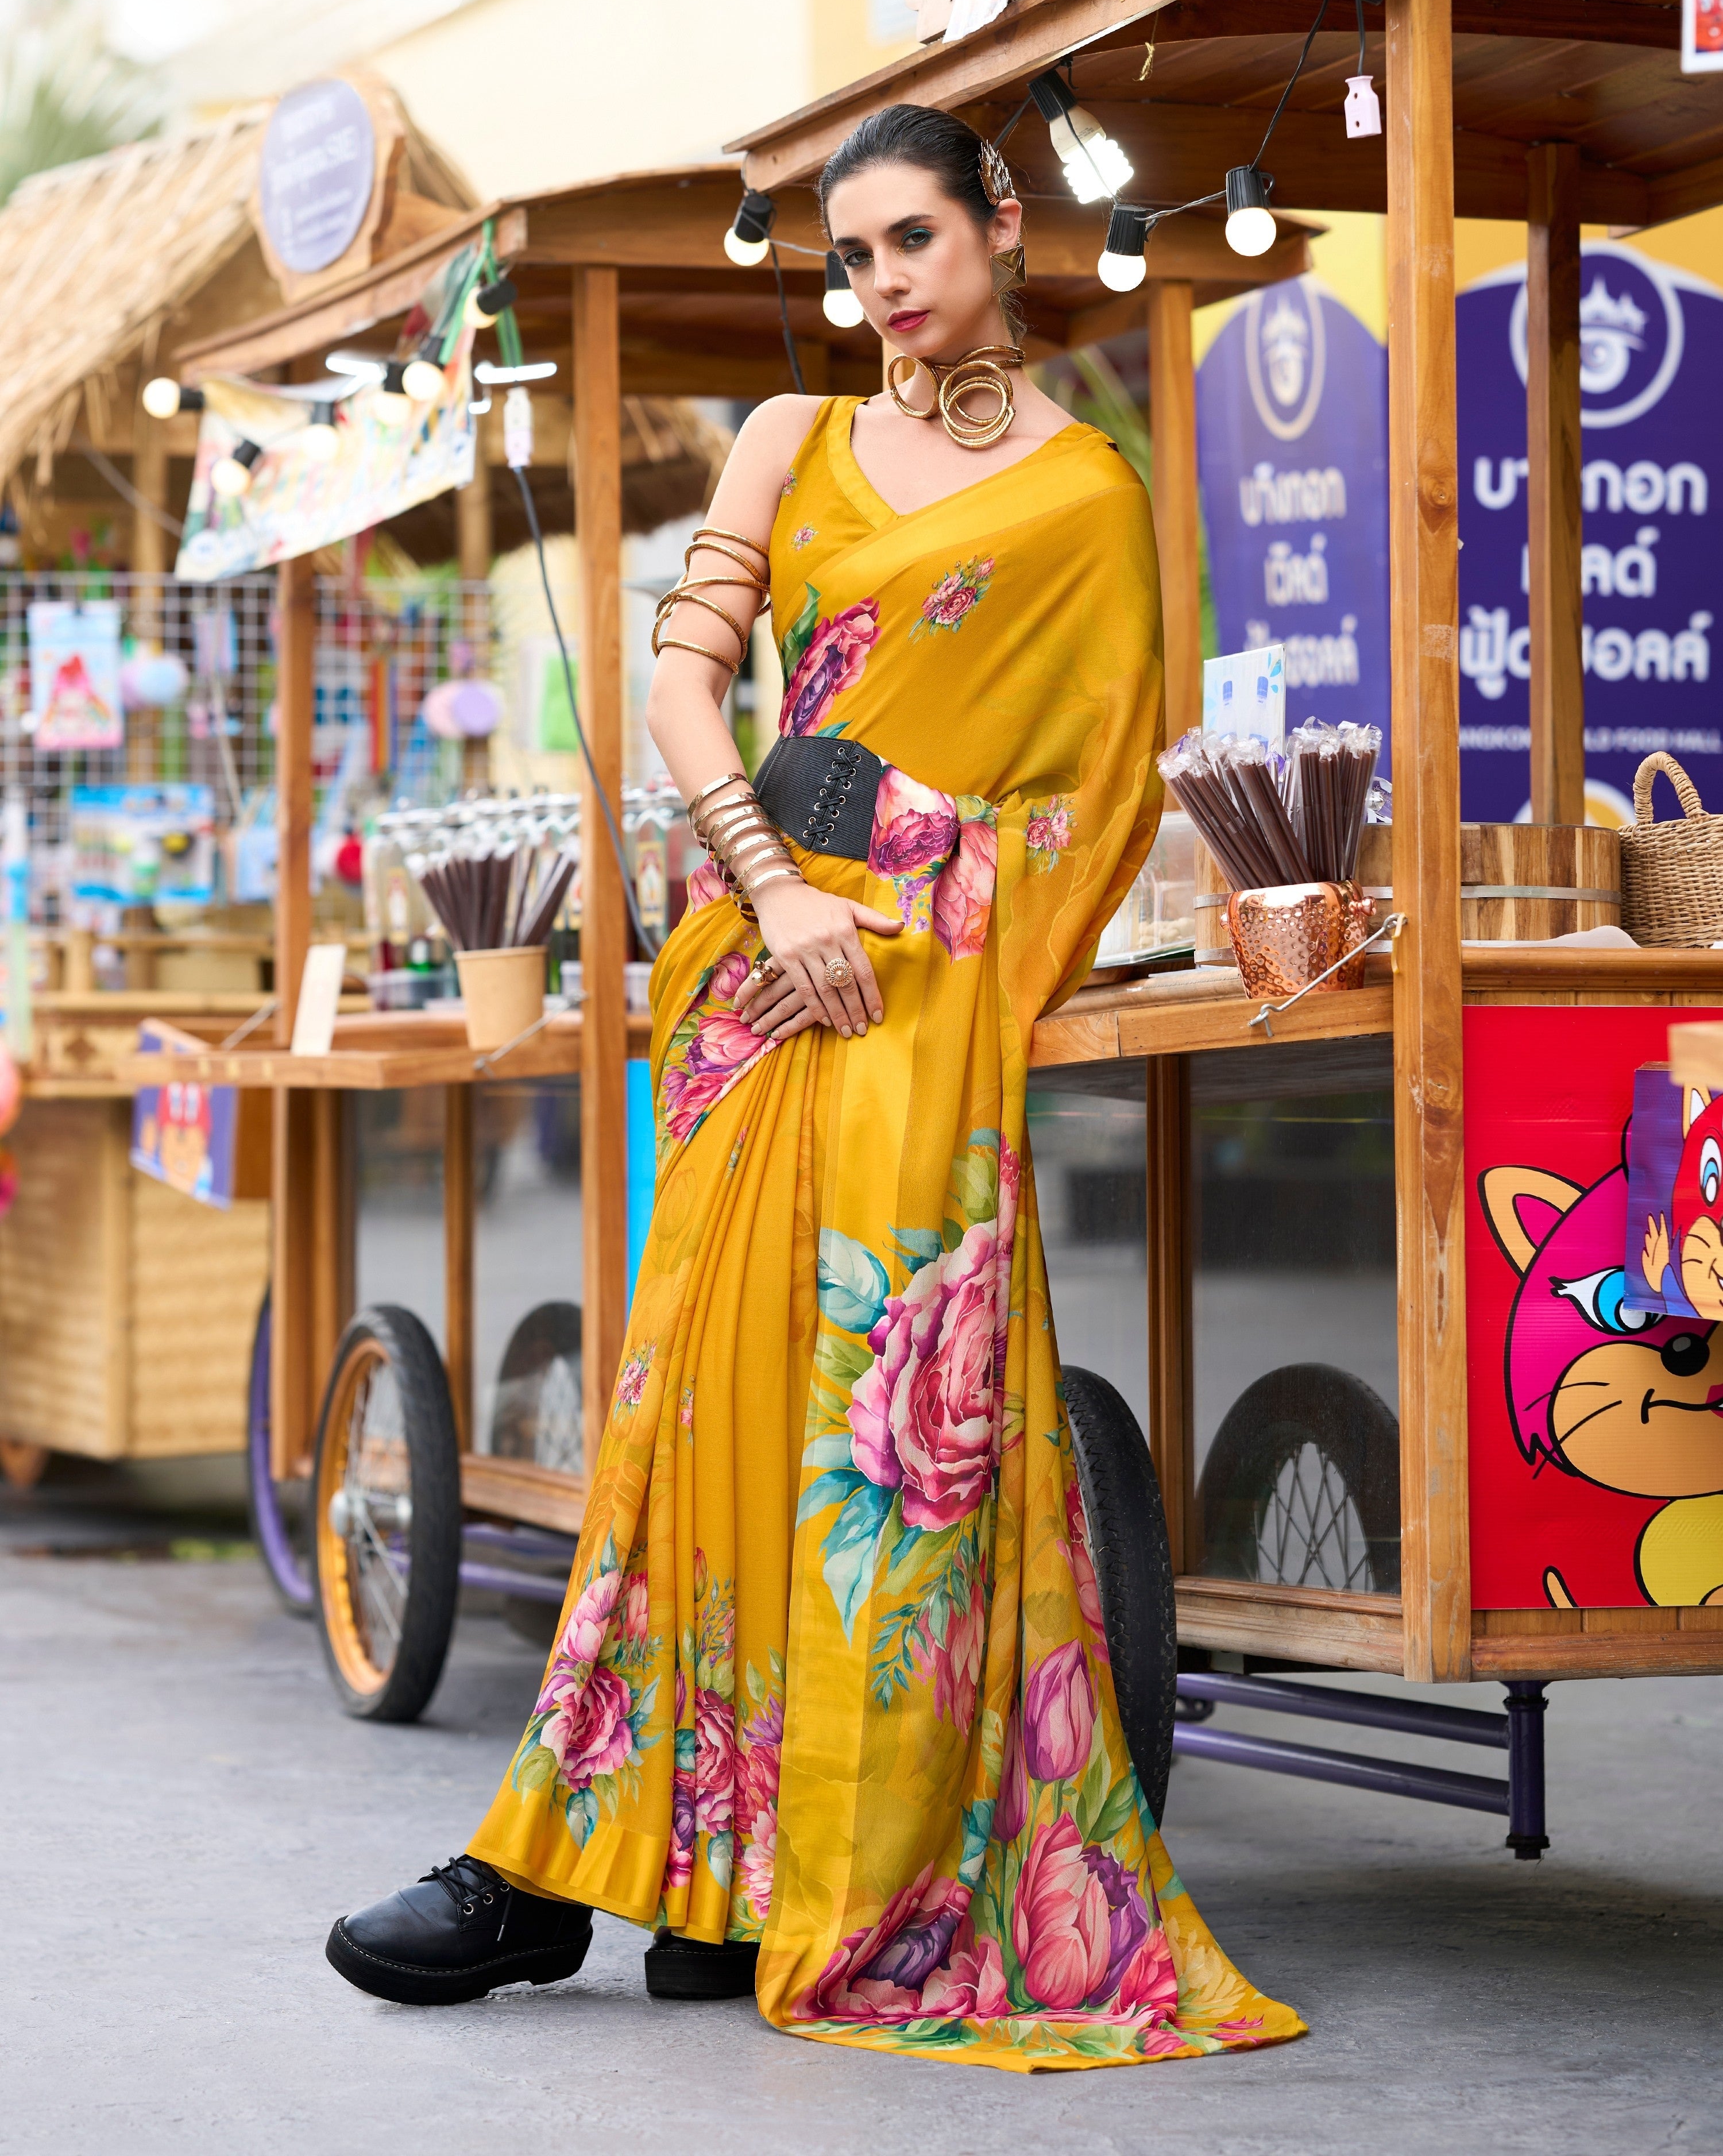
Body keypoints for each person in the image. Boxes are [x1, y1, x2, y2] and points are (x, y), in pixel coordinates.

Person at [326, 105, 1303, 2072]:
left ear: (1002, 227)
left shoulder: (1091, 495)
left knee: (874, 1439)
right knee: (694, 1405)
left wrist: (928, 889)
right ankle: (584, 1866)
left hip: (932, 996)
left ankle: (787, 1874)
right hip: (763, 979)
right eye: (853, 260)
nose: (883, 287)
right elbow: (691, 690)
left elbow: (1099, 793)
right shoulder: (795, 442)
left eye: (914, 242)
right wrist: (777, 892)